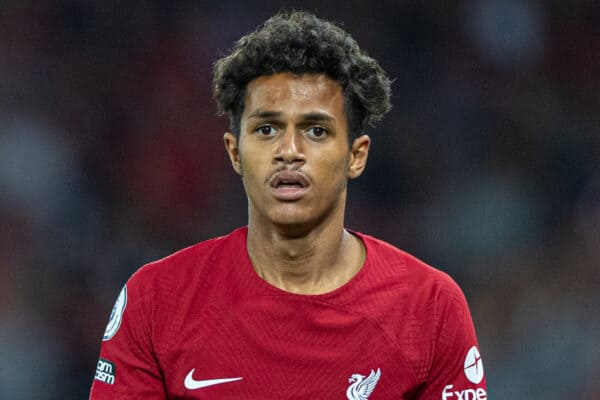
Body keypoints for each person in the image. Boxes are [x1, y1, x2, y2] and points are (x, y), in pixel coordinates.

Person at [90, 11, 487, 400]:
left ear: (356, 155)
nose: (289, 151)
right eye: (267, 129)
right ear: (235, 152)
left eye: (316, 130)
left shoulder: (429, 308)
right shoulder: (156, 300)